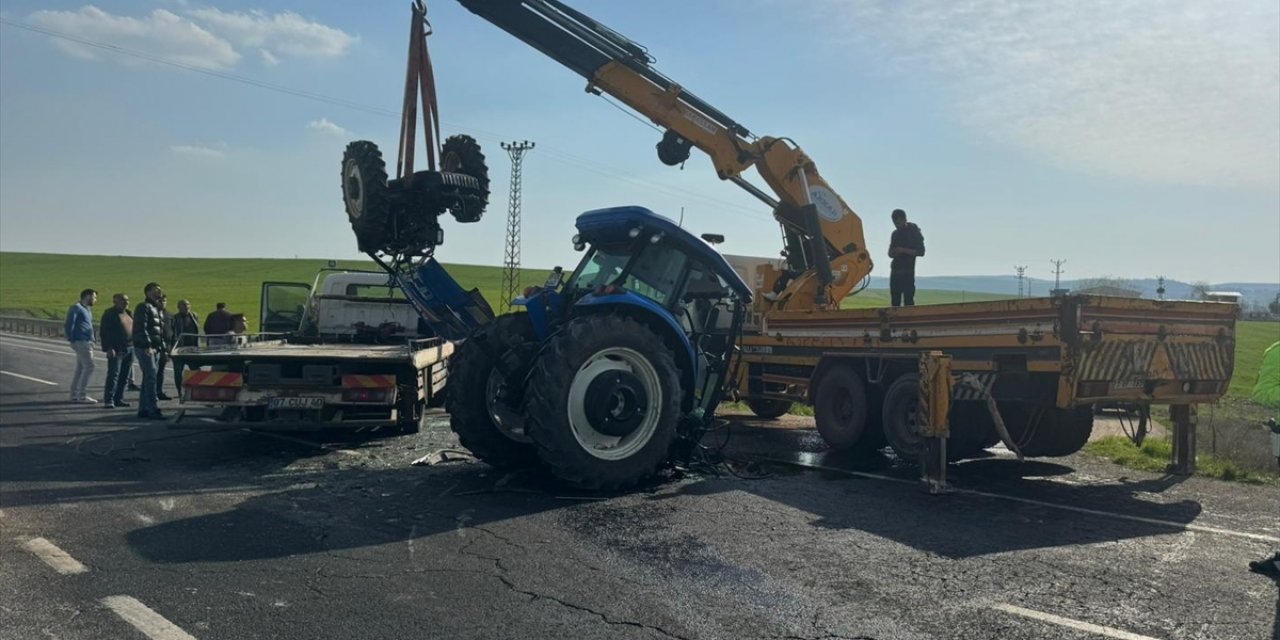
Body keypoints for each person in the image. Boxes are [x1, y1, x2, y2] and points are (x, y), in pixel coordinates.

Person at [132, 282, 167, 420]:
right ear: (147, 292)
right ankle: (153, 409)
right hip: (146, 348)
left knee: (148, 378)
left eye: (159, 289)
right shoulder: (143, 307)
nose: (159, 292)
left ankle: (143, 409)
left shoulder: (156, 308)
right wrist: (147, 345)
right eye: (155, 290)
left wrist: (161, 348)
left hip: (155, 348)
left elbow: (159, 331)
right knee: (151, 377)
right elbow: (142, 327)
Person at [99, 293, 134, 409]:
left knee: (124, 376)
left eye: (127, 300)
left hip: (129, 347)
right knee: (114, 375)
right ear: (115, 302)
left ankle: (118, 398)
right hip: (116, 349)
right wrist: (109, 348)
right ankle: (109, 400)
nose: (126, 302)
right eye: (123, 301)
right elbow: (104, 332)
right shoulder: (110, 314)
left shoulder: (128, 313)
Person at [63, 288, 98, 403]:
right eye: (94, 297)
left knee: (80, 368)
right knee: (89, 366)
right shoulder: (76, 308)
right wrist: (71, 339)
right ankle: (82, 394)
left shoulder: (86, 309)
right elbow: (69, 323)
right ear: (87, 296)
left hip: (86, 341)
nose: (95, 300)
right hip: (81, 341)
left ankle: (74, 394)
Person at [887, 208, 926, 307]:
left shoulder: (913, 232)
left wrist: (903, 250)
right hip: (895, 272)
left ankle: (908, 322)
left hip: (908, 272)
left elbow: (921, 252)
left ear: (904, 219)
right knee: (895, 303)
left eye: (898, 222)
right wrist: (894, 252)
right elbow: (890, 253)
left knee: (908, 302)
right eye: (895, 223)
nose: (897, 225)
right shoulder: (895, 234)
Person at [171, 299, 200, 396]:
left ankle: (197, 391)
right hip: (179, 350)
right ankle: (180, 392)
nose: (186, 307)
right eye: (184, 306)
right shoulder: (174, 318)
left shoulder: (194, 316)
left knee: (196, 371)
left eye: (188, 305)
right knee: (178, 373)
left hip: (192, 349)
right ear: (178, 307)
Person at [154, 295, 174, 401]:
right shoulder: (152, 313)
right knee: (153, 371)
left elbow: (172, 331)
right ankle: (153, 392)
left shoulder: (169, 315)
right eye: (160, 301)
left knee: (160, 371)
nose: (162, 303)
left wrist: (171, 347)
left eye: (164, 301)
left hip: (166, 346)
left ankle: (159, 391)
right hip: (155, 346)